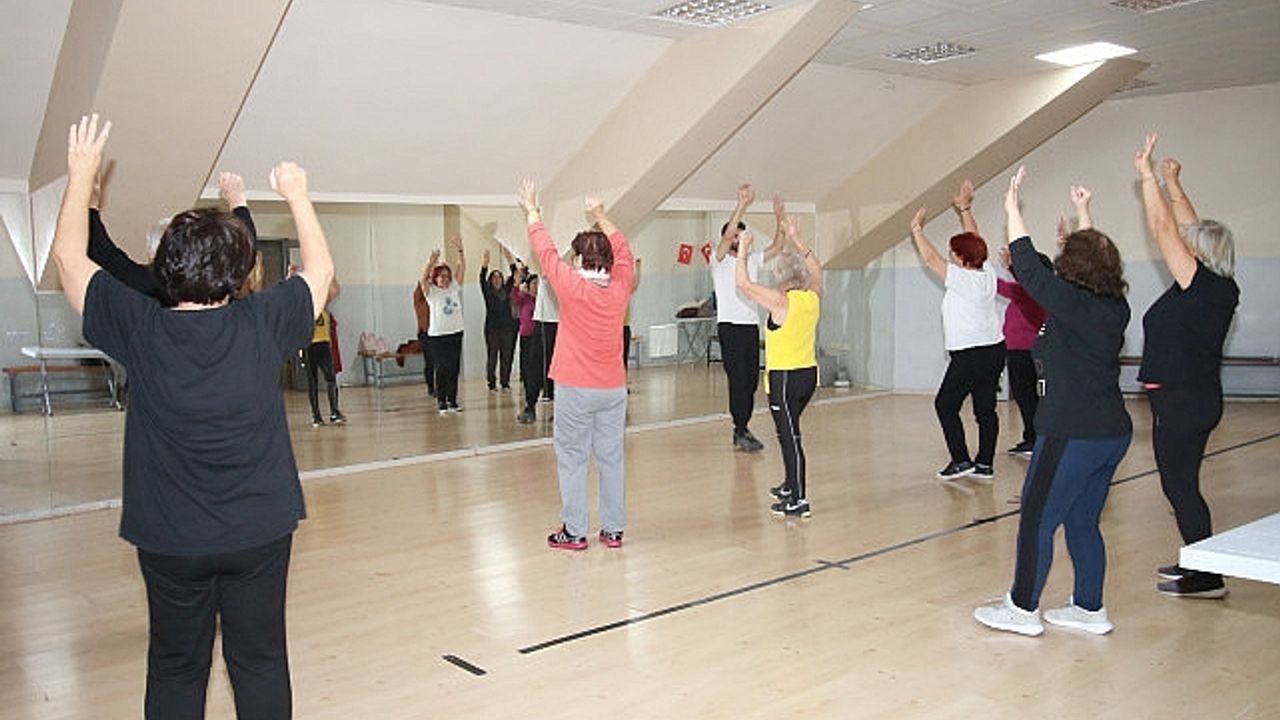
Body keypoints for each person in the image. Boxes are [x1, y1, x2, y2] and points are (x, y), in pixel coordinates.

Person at [51, 115, 333, 718]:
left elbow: (69, 260)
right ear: (238, 272)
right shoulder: (263, 321)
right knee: (260, 661)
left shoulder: (140, 326)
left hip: (169, 535)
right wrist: (298, 196)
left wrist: (81, 176)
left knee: (177, 668)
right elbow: (319, 273)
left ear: (165, 267)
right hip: (259, 529)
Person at [973, 168, 1131, 637]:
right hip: (1110, 432)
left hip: (1072, 431)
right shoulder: (1112, 306)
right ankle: (1089, 608)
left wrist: (1011, 209)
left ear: (1073, 269)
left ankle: (1022, 608)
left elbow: (1028, 265)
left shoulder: (1073, 305)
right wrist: (1084, 212)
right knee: (1082, 520)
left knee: (1036, 518)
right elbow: (1093, 259)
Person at [1134, 133, 1239, 599]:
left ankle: (1207, 576)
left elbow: (1164, 230)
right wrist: (1172, 182)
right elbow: (1187, 225)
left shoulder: (1200, 285)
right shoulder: (1219, 285)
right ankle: (1199, 558)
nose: (1183, 244)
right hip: (1192, 399)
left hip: (1182, 403)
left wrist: (1146, 179)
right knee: (1184, 485)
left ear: (1199, 253)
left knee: (1180, 489)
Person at [517, 179, 635, 550]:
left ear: (581, 260)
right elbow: (624, 248)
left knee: (572, 458)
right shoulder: (622, 285)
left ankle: (574, 530)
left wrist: (532, 209)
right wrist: (601, 215)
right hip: (613, 388)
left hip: (575, 387)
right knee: (611, 459)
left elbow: (545, 251)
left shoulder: (571, 286)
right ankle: (613, 530)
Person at [908, 181, 1005, 480]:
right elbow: (976, 238)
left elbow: (931, 259)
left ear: (962, 258)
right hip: (994, 349)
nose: (949, 255)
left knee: (945, 404)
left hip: (970, 354)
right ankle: (984, 463)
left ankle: (961, 460)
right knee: (985, 409)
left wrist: (917, 230)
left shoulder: (963, 279)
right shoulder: (987, 272)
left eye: (953, 252)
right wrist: (964, 209)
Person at [735, 216, 822, 517]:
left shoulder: (780, 301)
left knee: (790, 439)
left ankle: (799, 500)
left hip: (785, 380)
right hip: (809, 377)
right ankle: (789, 485)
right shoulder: (813, 297)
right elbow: (817, 270)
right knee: (789, 431)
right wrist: (797, 239)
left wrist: (743, 249)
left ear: (780, 275)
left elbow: (743, 284)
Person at [89, 170, 258, 300]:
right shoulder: (212, 288)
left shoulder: (140, 282)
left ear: (151, 253)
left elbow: (102, 252)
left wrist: (91, 206)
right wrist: (237, 199)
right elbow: (244, 252)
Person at [712, 184, 785, 452]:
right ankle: (740, 428)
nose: (740, 239)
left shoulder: (751, 260)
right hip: (729, 327)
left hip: (750, 327)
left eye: (743, 235)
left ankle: (743, 427)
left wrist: (780, 218)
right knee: (738, 379)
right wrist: (742, 204)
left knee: (752, 380)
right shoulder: (719, 259)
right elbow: (727, 235)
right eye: (736, 236)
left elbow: (778, 246)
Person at [420, 235, 466, 413]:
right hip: (438, 336)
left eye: (447, 276)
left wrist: (460, 250)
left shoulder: (454, 288)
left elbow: (462, 268)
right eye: (441, 276)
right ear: (436, 278)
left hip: (455, 333)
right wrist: (431, 262)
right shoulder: (431, 292)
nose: (445, 279)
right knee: (442, 368)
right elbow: (423, 279)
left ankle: (452, 401)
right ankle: (441, 402)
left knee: (454, 368)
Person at [303, 276, 345, 426]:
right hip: (309, 346)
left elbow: (335, 290)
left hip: (324, 344)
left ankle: (334, 412)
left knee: (331, 378)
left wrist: (330, 275)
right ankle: (316, 416)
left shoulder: (322, 302)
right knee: (312, 381)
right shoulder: (303, 305)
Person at [479, 247, 519, 392]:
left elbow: (514, 273)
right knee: (492, 357)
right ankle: (491, 383)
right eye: (494, 277)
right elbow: (481, 278)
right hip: (492, 330)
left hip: (507, 329)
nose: (497, 280)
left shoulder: (506, 290)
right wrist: (485, 263)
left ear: (502, 280)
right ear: (491, 280)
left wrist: (509, 258)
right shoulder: (488, 292)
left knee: (506, 356)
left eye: (499, 277)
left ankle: (505, 382)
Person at [511, 267, 541, 424]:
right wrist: (517, 282)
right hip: (527, 337)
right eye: (534, 283)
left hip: (540, 337)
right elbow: (515, 296)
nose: (536, 286)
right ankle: (530, 406)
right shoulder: (525, 298)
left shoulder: (543, 300)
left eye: (538, 283)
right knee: (528, 371)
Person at [412, 282, 436, 397]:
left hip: (437, 332)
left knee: (440, 362)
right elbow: (419, 290)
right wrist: (427, 280)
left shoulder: (435, 299)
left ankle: (441, 387)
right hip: (425, 333)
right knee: (430, 362)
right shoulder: (420, 301)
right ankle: (431, 388)